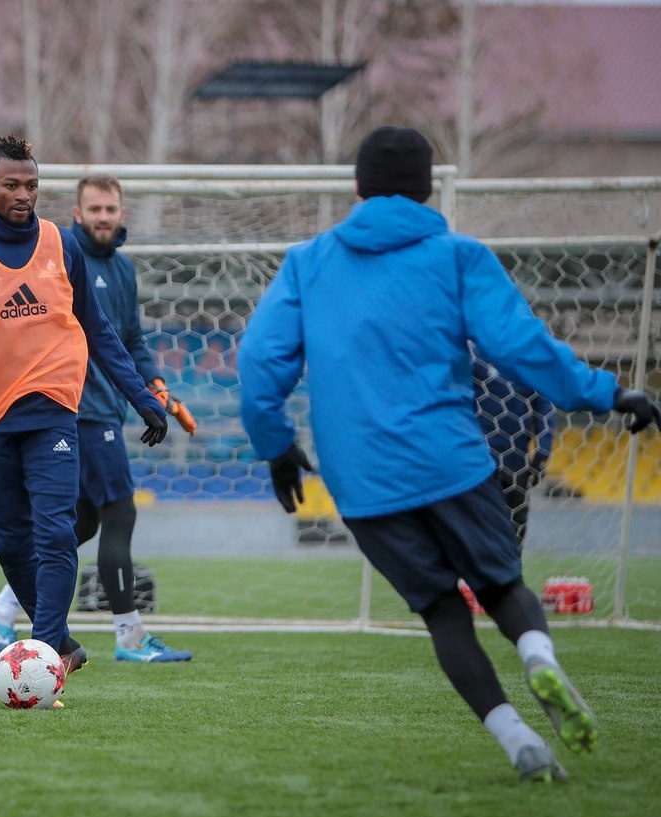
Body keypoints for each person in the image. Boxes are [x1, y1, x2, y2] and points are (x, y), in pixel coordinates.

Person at [237, 125, 661, 783]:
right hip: (450, 462)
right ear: (428, 188)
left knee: (441, 610)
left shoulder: (308, 263)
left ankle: (517, 739)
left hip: (362, 482)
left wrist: (276, 447)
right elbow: (522, 348)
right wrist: (608, 393)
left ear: (357, 187)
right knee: (502, 585)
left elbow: (259, 363)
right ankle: (539, 656)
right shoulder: (458, 256)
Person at [0, 137, 169, 684]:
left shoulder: (62, 244)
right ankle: (60, 644)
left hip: (53, 409)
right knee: (11, 540)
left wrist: (143, 398)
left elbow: (99, 330)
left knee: (56, 532)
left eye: (31, 185)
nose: (23, 195)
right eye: (11, 185)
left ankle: (45, 657)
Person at [0, 174, 195, 663]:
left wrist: (153, 386)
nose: (102, 217)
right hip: (79, 411)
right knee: (119, 512)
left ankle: (1, 612)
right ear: (77, 213)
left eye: (110, 209)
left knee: (82, 523)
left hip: (109, 406)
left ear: (121, 213)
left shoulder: (123, 269)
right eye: (94, 209)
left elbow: (129, 339)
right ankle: (130, 636)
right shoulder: (59, 256)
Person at [471, 351, 556, 547]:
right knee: (477, 527)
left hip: (516, 462)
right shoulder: (475, 356)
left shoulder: (529, 360)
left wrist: (542, 453)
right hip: (477, 461)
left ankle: (511, 566)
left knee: (515, 528)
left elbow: (544, 408)